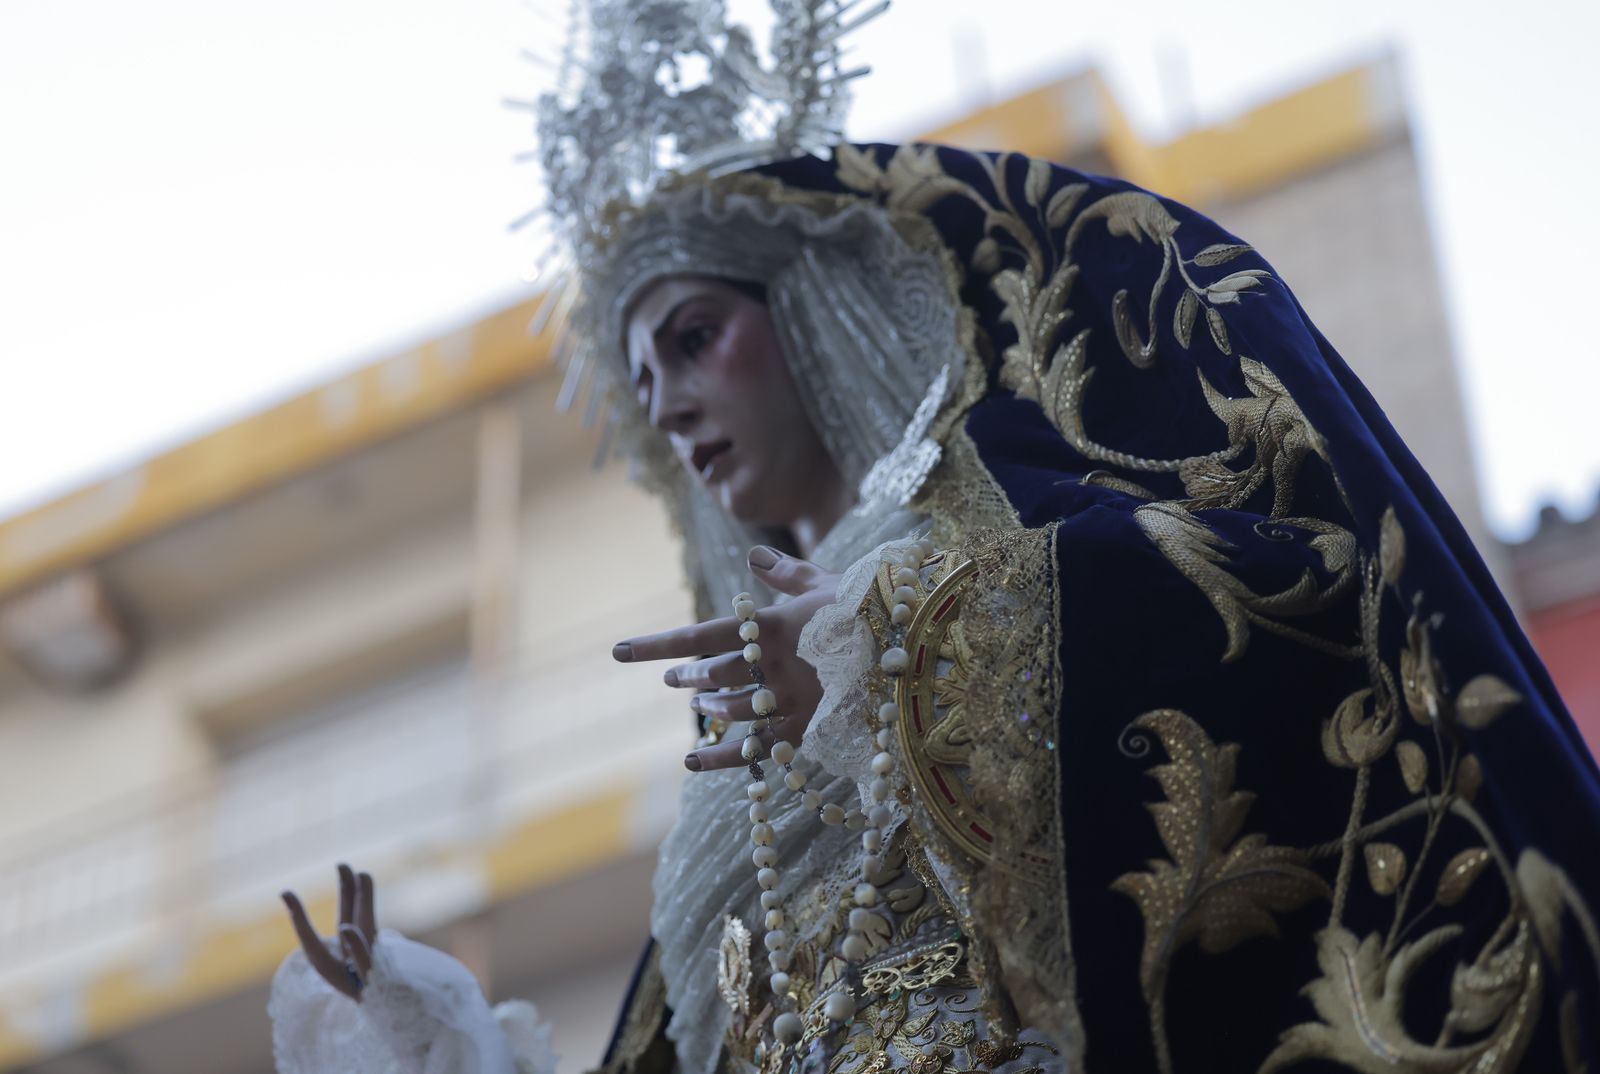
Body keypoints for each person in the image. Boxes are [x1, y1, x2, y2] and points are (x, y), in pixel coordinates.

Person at [268, 7, 1600, 1074]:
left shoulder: (1002, 534)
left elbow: (1280, 604)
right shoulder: (737, 747)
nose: (668, 403)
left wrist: (893, 658)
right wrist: (433, 1041)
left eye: (691, 336)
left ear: (813, 315)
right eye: (643, 376)